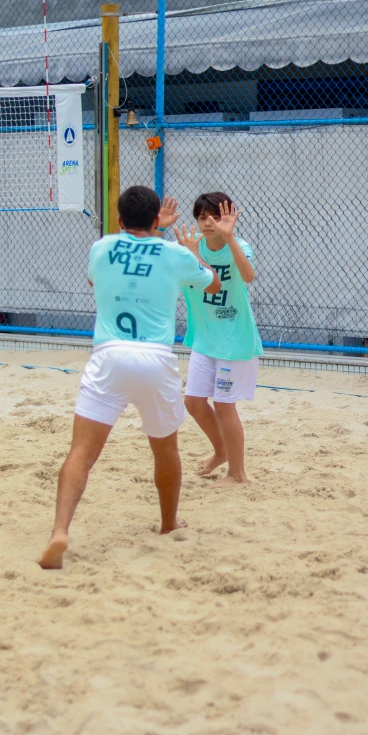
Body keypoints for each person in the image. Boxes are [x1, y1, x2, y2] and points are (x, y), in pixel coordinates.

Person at [38, 186, 221, 569]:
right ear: (156, 220)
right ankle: (168, 524)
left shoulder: (102, 247)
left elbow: (98, 280)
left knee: (80, 452)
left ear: (120, 220)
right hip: (155, 360)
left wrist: (151, 234)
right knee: (165, 451)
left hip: (109, 357)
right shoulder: (174, 254)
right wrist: (182, 246)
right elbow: (214, 284)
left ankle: (59, 531)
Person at [171, 192, 263, 487]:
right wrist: (162, 230)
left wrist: (230, 238)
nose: (208, 223)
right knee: (194, 402)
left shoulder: (239, 246)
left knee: (224, 405)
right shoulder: (189, 248)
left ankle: (238, 474)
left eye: (214, 217)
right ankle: (221, 451)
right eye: (202, 218)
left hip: (234, 339)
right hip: (205, 338)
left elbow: (248, 276)